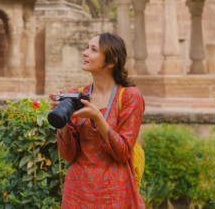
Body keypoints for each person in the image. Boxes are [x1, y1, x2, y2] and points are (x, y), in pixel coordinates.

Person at [49, 32, 145, 209]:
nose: (85, 53)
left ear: (111, 60)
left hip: (115, 192)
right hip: (77, 192)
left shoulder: (130, 97)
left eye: (93, 50)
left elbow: (123, 153)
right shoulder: (78, 97)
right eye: (87, 48)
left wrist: (98, 118)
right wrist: (61, 124)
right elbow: (69, 155)